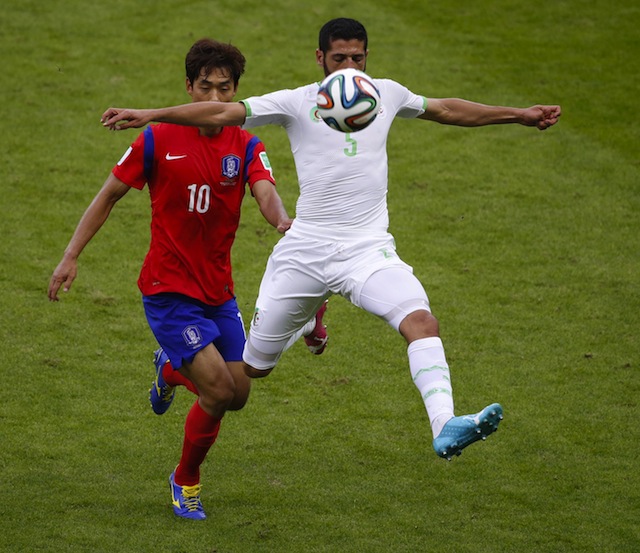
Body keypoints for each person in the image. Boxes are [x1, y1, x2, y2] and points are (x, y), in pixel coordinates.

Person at [101, 18, 561, 461]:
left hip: (368, 250)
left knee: (421, 322)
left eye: (357, 58)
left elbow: (446, 109)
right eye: (338, 58)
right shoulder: (296, 102)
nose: (348, 68)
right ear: (320, 58)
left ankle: (444, 424)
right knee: (250, 374)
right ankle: (281, 326)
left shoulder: (385, 93)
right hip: (304, 254)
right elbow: (223, 111)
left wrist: (518, 115)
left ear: (367, 58)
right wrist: (151, 114)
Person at [49, 38, 326, 520]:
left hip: (218, 292)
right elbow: (108, 196)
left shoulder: (247, 144)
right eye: (205, 88)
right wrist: (70, 256)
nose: (215, 100)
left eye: (225, 90)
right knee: (218, 390)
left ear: (238, 92)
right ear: (188, 87)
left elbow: (265, 193)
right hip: (167, 289)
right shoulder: (157, 139)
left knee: (238, 395)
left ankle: (170, 368)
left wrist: (283, 221)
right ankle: (185, 480)